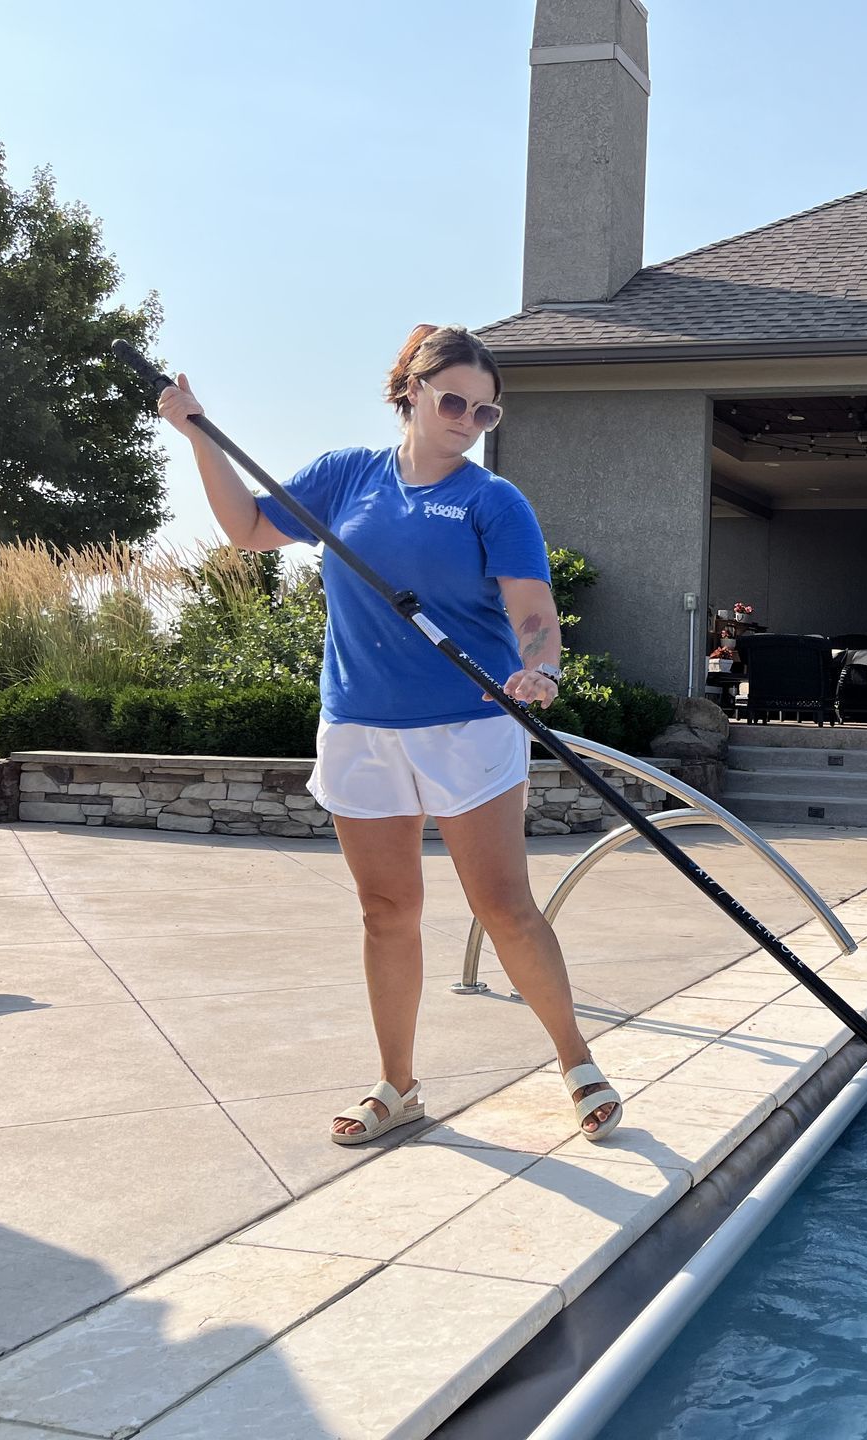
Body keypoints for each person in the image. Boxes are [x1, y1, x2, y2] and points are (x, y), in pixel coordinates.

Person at [155, 324, 623, 1146]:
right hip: (360, 727)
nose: (468, 420)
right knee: (386, 911)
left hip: (469, 725)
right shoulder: (345, 478)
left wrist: (540, 669)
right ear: (410, 389)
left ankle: (577, 1062)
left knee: (505, 906)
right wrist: (198, 436)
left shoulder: (492, 501)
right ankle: (397, 1084)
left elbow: (534, 612)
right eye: (453, 401)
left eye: (485, 413)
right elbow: (249, 530)